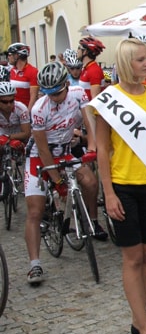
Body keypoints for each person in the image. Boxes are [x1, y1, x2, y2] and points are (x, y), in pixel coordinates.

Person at [92, 38, 146, 334]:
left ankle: (141, 318)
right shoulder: (108, 99)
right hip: (123, 186)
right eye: (141, 59)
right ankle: (142, 326)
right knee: (132, 256)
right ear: (127, 62)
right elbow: (102, 150)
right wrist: (108, 193)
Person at [23, 63, 101, 286]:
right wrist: (57, 180)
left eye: (57, 93)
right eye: (48, 94)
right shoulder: (39, 109)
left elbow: (89, 121)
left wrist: (93, 147)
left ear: (66, 85)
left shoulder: (78, 94)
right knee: (35, 210)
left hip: (65, 151)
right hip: (40, 156)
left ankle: (92, 222)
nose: (53, 98)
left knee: (90, 181)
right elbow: (43, 148)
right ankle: (34, 265)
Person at [7, 43, 38, 109]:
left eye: (10, 54)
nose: (8, 57)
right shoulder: (11, 71)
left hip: (25, 110)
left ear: (17, 55)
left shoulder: (32, 71)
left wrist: (28, 113)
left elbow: (34, 96)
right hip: (12, 111)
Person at [0, 81, 31, 148]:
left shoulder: (21, 108)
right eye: (4, 102)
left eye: (11, 101)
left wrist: (8, 137)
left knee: (16, 145)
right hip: (1, 139)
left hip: (20, 140)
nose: (9, 105)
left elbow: (27, 133)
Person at [77, 36, 106, 101]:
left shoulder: (94, 71)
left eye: (79, 48)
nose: (77, 51)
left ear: (85, 52)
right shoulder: (86, 68)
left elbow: (95, 99)